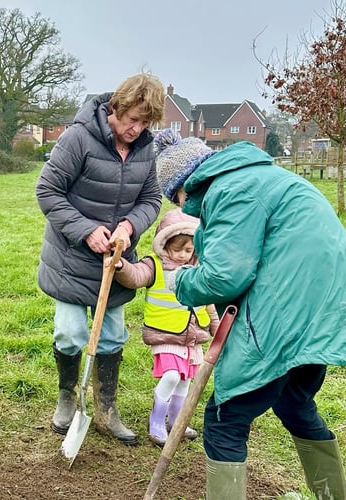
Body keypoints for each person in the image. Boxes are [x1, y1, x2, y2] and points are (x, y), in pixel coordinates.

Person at [153, 128, 346, 499]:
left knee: (226, 421)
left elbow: (226, 276)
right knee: (294, 403)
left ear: (185, 186)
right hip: (325, 308)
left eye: (175, 197)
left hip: (286, 308)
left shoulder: (228, 190)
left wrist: (182, 282)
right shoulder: (262, 176)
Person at [36, 73, 165, 445]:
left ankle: (106, 407)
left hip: (116, 262)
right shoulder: (78, 138)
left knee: (111, 336)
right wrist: (85, 230)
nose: (136, 129)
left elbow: (151, 200)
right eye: (131, 119)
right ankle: (66, 398)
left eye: (144, 123)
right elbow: (47, 191)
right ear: (116, 108)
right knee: (71, 332)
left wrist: (129, 225)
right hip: (71, 260)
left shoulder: (145, 149)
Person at [107, 208, 219, 446]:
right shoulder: (154, 264)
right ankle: (157, 419)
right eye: (177, 249)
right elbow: (136, 275)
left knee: (185, 381)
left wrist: (216, 328)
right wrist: (121, 267)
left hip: (192, 338)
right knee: (170, 376)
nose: (182, 255)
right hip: (165, 336)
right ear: (164, 243)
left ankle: (176, 420)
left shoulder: (199, 268)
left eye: (189, 250)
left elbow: (209, 303)